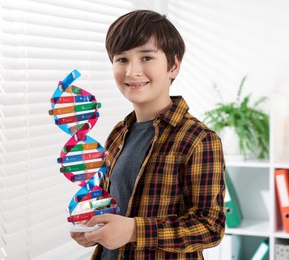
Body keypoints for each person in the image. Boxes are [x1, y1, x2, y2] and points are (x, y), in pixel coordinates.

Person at [70, 9, 226, 259]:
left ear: (173, 65)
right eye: (122, 59)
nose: (132, 71)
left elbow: (210, 228)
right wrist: (92, 226)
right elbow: (113, 205)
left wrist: (134, 231)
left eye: (146, 57)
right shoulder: (118, 134)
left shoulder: (198, 139)